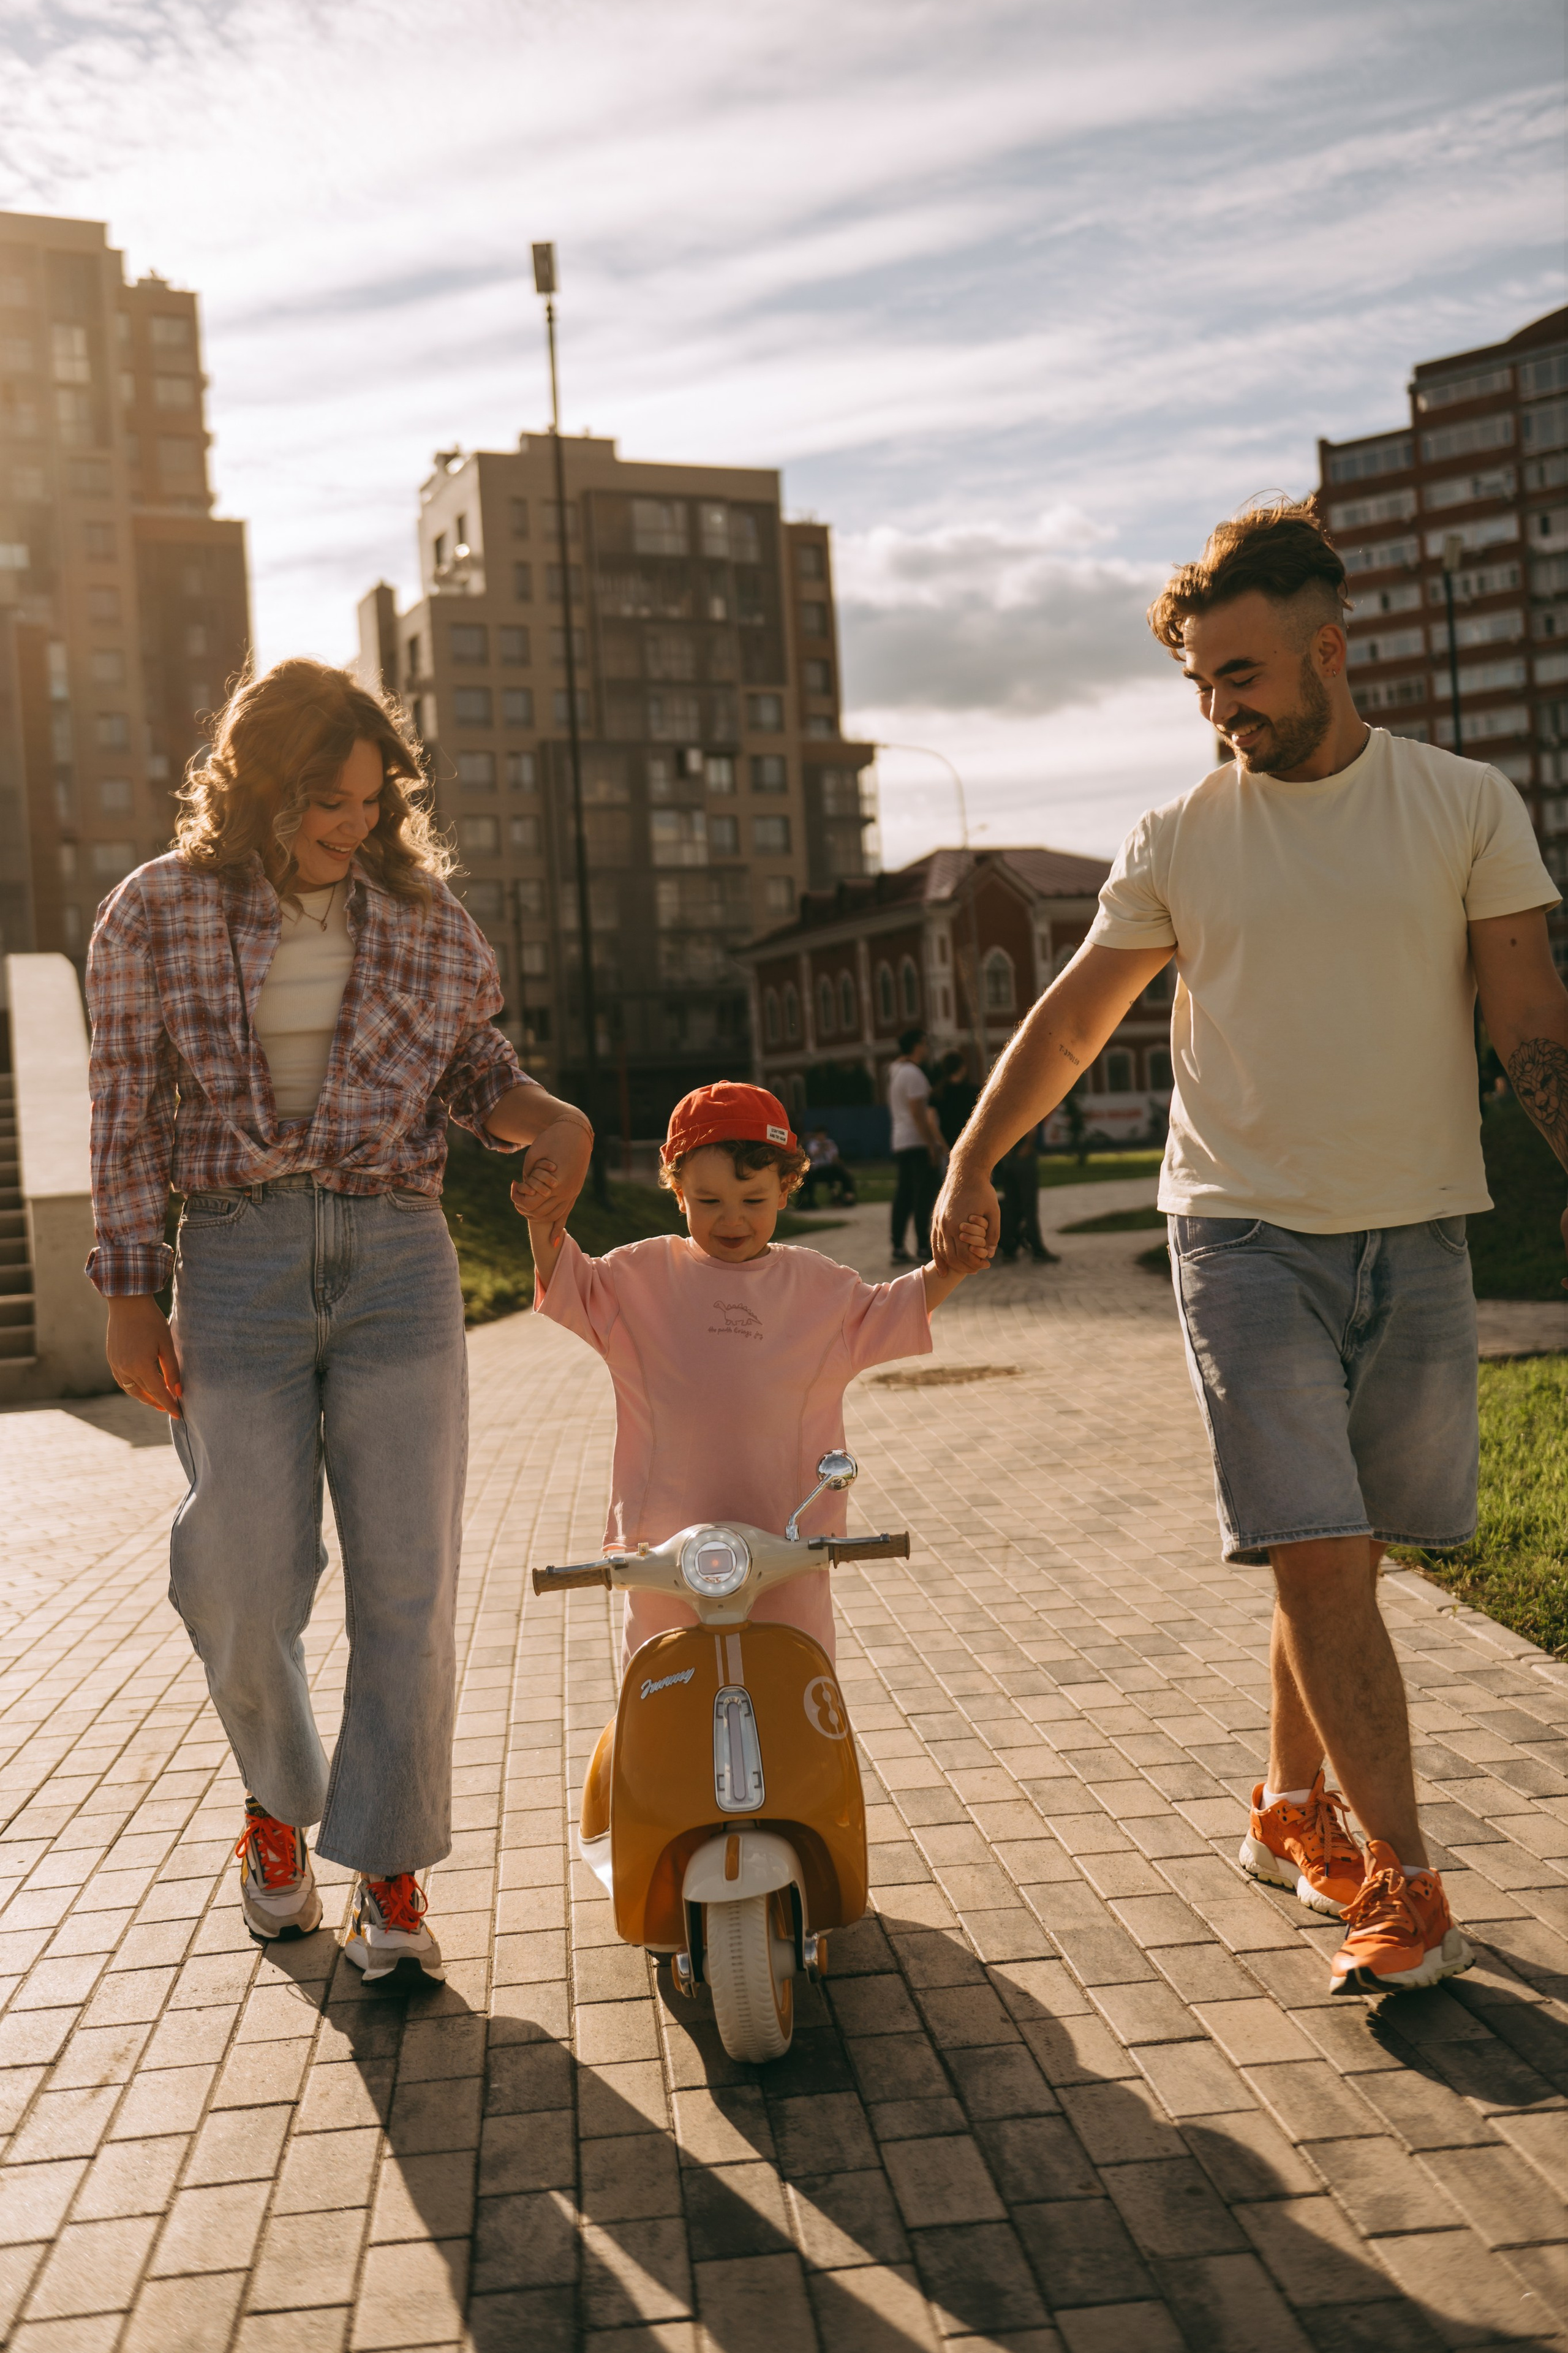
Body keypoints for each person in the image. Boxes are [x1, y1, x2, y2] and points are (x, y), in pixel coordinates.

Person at [933, 496, 1568, 1998]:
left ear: (1326, 652)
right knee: (1320, 1549)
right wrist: (972, 1155)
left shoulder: (1460, 803)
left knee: (1344, 1550)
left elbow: (1526, 1017)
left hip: (1414, 1231)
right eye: (1198, 685)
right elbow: (1078, 1010)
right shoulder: (1179, 837)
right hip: (1238, 1237)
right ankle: (1405, 1882)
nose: (1220, 708)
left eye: (1241, 675)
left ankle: (1285, 1801)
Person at [88, 659, 593, 1984]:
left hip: (397, 1259)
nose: (351, 825)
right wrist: (129, 1288)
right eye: (325, 800)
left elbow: (474, 1071)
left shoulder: (424, 921)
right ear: (256, 790)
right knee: (237, 1571)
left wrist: (553, 1118)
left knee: (406, 1584)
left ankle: (387, 1866)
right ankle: (279, 1800)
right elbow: (125, 1114)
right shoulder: (154, 913)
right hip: (240, 1263)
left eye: (370, 799)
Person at [522, 1081, 988, 1671]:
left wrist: (951, 1266)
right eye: (709, 1201)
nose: (732, 1218)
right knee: (661, 1692)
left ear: (786, 1188)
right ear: (678, 1192)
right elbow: (567, 1278)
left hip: (789, 1548)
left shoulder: (820, 1288)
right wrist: (544, 1218)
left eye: (753, 1197)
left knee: (794, 1683)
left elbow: (895, 1307)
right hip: (664, 1557)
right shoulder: (637, 1278)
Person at [888, 1027, 946, 1264]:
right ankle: (924, 1245)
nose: (927, 1048)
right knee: (924, 1195)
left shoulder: (896, 1072)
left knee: (904, 1194)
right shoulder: (913, 1074)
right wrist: (931, 1144)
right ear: (916, 1045)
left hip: (901, 1141)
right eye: (924, 1043)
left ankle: (898, 1246)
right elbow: (918, 1113)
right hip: (917, 1141)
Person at [993, 1130, 1058, 1263]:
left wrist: (1004, 1150)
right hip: (1023, 1159)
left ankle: (1008, 1248)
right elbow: (1032, 1124)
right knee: (1029, 1207)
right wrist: (1028, 1145)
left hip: (1009, 1158)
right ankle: (1037, 1249)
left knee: (1011, 1206)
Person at [801, 1125, 856, 1209]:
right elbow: (812, 1155)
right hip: (819, 1170)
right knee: (814, 1175)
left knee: (844, 1174)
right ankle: (812, 1200)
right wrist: (822, 1148)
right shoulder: (813, 1144)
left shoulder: (830, 1143)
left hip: (831, 1168)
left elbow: (835, 1157)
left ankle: (848, 1196)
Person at [933, 1049, 979, 1150]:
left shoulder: (938, 1093)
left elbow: (931, 1121)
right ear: (962, 1068)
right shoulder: (972, 1091)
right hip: (969, 1142)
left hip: (948, 1143)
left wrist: (943, 1146)